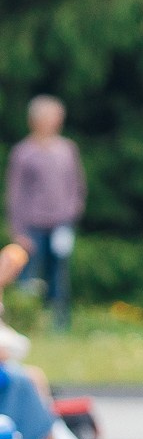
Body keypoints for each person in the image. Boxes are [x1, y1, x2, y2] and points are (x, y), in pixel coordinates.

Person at [8, 96, 84, 329]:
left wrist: (71, 215)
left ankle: (59, 325)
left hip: (61, 224)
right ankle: (25, 323)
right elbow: (15, 193)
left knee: (59, 277)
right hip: (32, 226)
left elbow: (77, 186)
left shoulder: (67, 149)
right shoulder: (23, 152)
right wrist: (17, 229)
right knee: (28, 277)